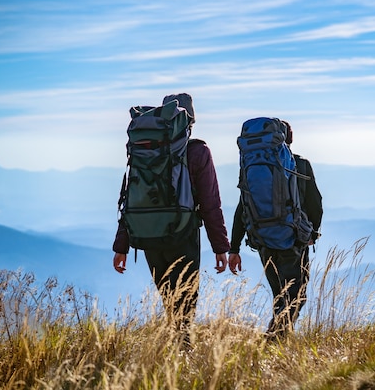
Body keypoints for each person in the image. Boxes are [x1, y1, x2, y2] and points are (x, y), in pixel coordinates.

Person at [112, 93, 242, 347]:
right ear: (190, 120)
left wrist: (121, 245)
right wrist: (221, 247)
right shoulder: (197, 152)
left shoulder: (145, 148)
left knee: (169, 298)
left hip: (147, 232)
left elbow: (131, 196)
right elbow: (210, 202)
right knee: (185, 300)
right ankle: (183, 354)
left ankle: (175, 350)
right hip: (182, 233)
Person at [230, 120, 322, 339]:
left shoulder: (250, 167)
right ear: (287, 139)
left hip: (262, 238)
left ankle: (275, 338)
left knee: (279, 294)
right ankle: (274, 341)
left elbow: (243, 206)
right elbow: (315, 204)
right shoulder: (300, 165)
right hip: (293, 239)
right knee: (295, 296)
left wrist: (234, 247)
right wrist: (312, 234)